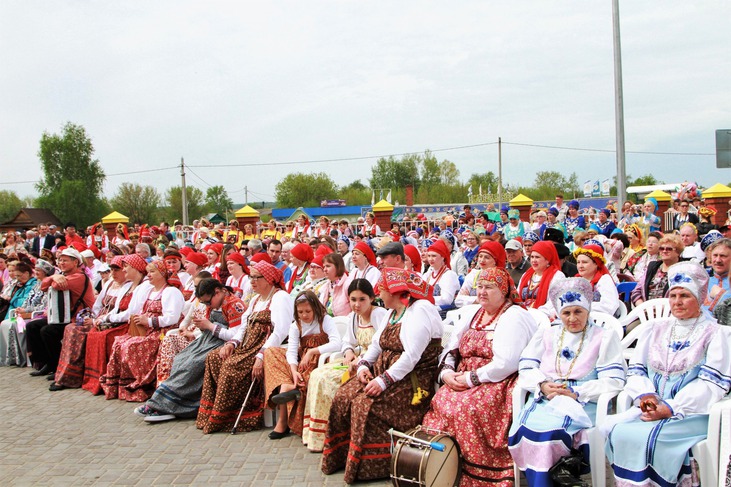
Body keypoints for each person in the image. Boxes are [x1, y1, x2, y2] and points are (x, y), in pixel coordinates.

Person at [606, 262, 731, 486]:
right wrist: (645, 396)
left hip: (693, 412)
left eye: (685, 295)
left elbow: (711, 384)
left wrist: (671, 408)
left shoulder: (714, 333)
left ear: (700, 298)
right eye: (673, 295)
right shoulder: (656, 328)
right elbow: (636, 369)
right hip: (652, 406)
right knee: (620, 433)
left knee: (651, 438)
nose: (677, 302)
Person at [321, 268, 442, 484]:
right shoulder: (391, 313)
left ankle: (374, 466)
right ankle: (342, 458)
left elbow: (411, 357)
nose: (379, 293)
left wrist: (383, 380)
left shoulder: (420, 310)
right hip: (385, 371)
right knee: (343, 396)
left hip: (411, 380)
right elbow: (376, 345)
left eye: (382, 290)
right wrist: (364, 366)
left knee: (364, 404)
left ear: (395, 292)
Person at [424, 268, 538, 486]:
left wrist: (469, 379)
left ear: (503, 291)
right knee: (441, 401)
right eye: (480, 287)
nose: (482, 292)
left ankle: (480, 475)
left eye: (489, 287)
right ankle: (446, 469)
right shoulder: (473, 313)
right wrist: (447, 372)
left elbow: (506, 363)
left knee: (467, 408)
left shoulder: (513, 315)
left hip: (498, 380)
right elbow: (452, 348)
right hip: (464, 376)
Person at [509, 277, 626, 486]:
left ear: (588, 310)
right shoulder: (547, 333)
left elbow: (615, 380)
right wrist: (542, 385)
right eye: (566, 313)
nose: (572, 318)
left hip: (582, 401)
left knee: (551, 435)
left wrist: (577, 392)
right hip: (547, 397)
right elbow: (526, 366)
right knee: (524, 430)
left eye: (578, 311)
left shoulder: (604, 337)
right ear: (559, 314)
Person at [196, 261, 294, 434]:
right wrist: (231, 343)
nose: (252, 281)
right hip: (247, 346)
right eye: (251, 277)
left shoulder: (280, 297)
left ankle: (232, 416)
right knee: (213, 357)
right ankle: (213, 412)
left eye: (257, 277)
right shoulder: (256, 299)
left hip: (264, 347)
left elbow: (280, 331)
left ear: (269, 279)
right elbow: (243, 327)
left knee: (231, 366)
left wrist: (261, 355)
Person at [135, 278, 247, 422]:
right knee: (181, 358)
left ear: (217, 292)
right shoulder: (214, 304)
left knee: (193, 364)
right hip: (207, 340)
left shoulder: (234, 305)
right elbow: (208, 326)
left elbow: (235, 335)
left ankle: (166, 404)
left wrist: (210, 326)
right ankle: (169, 405)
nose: (207, 305)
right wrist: (200, 328)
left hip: (224, 344)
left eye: (208, 302)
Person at [302, 279, 388, 452]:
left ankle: (335, 435)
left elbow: (381, 345)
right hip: (356, 359)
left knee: (329, 380)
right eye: (353, 299)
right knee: (318, 374)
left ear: (371, 298)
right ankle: (318, 434)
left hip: (373, 363)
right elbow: (348, 341)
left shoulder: (378, 314)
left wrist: (361, 358)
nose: (357, 304)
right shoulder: (353, 317)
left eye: (362, 299)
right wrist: (349, 352)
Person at [101, 260, 184, 402]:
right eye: (148, 272)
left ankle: (142, 384)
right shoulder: (150, 291)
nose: (149, 275)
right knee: (119, 343)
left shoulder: (171, 292)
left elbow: (172, 318)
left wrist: (149, 321)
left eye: (152, 272)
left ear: (162, 274)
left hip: (162, 332)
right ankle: (122, 385)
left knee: (131, 346)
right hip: (146, 330)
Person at [263, 291, 341, 439]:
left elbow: (337, 343)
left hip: (320, 359)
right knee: (271, 352)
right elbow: (291, 352)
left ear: (315, 309)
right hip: (301, 359)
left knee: (304, 374)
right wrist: (294, 371)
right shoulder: (295, 326)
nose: (304, 315)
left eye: (308, 311)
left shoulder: (325, 320)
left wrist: (312, 352)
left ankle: (284, 419)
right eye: (300, 312)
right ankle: (289, 384)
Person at [51, 256, 131, 391]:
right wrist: (93, 317)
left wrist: (96, 321)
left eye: (117, 270)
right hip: (101, 319)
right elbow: (98, 304)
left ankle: (71, 376)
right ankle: (66, 374)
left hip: (114, 322)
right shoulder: (110, 283)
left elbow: (120, 310)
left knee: (79, 332)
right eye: (111, 270)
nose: (113, 273)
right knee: (71, 328)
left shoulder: (129, 286)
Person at [82, 254, 147, 395]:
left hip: (131, 325)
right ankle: (94, 380)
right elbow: (108, 306)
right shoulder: (127, 286)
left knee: (104, 336)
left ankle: (107, 379)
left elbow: (131, 312)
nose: (123, 271)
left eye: (126, 268)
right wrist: (100, 318)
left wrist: (108, 319)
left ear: (135, 269)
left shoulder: (142, 286)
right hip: (120, 320)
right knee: (94, 332)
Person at [26, 248, 95, 378]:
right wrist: (54, 276)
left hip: (79, 318)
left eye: (65, 260)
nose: (61, 263)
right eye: (60, 260)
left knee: (48, 331)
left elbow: (54, 286)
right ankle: (46, 363)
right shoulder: (64, 276)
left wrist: (53, 276)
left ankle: (58, 365)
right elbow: (44, 287)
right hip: (64, 316)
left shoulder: (79, 277)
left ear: (75, 262)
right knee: (32, 326)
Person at [0, 259, 52, 366]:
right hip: (24, 312)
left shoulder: (48, 284)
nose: (36, 273)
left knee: (18, 325)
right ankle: (12, 357)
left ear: (45, 272)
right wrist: (22, 308)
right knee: (6, 324)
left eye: (38, 270)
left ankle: (29, 358)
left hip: (38, 314)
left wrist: (25, 310)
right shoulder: (37, 284)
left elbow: (44, 304)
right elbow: (28, 300)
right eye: (36, 270)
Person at [630, 234, 684, 307]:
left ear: (678, 252)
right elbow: (636, 291)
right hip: (646, 311)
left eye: (669, 249)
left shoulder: (683, 269)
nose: (664, 251)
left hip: (670, 312)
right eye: (661, 248)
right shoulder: (652, 267)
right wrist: (643, 308)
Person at [572, 242, 621, 317]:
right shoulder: (576, 280)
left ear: (596, 264)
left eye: (585, 262)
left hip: (600, 321)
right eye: (578, 262)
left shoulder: (604, 280)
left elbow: (610, 306)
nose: (580, 266)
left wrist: (581, 307)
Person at [517, 241, 565, 311]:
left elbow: (553, 302)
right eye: (532, 257)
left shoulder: (557, 276)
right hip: (523, 315)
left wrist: (536, 313)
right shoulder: (526, 275)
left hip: (543, 316)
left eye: (537, 257)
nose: (533, 260)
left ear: (547, 260)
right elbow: (517, 296)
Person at [457, 241, 505, 307]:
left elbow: (496, 302)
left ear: (495, 260)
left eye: (487, 257)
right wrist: (478, 300)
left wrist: (469, 299)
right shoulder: (474, 274)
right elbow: (458, 301)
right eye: (480, 256)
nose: (482, 260)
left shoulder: (501, 277)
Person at [424, 239, 460, 317]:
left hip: (444, 314)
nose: (430, 259)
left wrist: (425, 299)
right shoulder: (429, 274)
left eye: (434, 256)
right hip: (429, 310)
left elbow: (446, 300)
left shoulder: (449, 275)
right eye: (429, 256)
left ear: (442, 257)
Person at [320, 252, 350, 317]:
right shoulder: (327, 285)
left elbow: (356, 310)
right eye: (324, 266)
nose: (324, 269)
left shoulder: (348, 285)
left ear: (338, 267)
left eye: (328, 266)